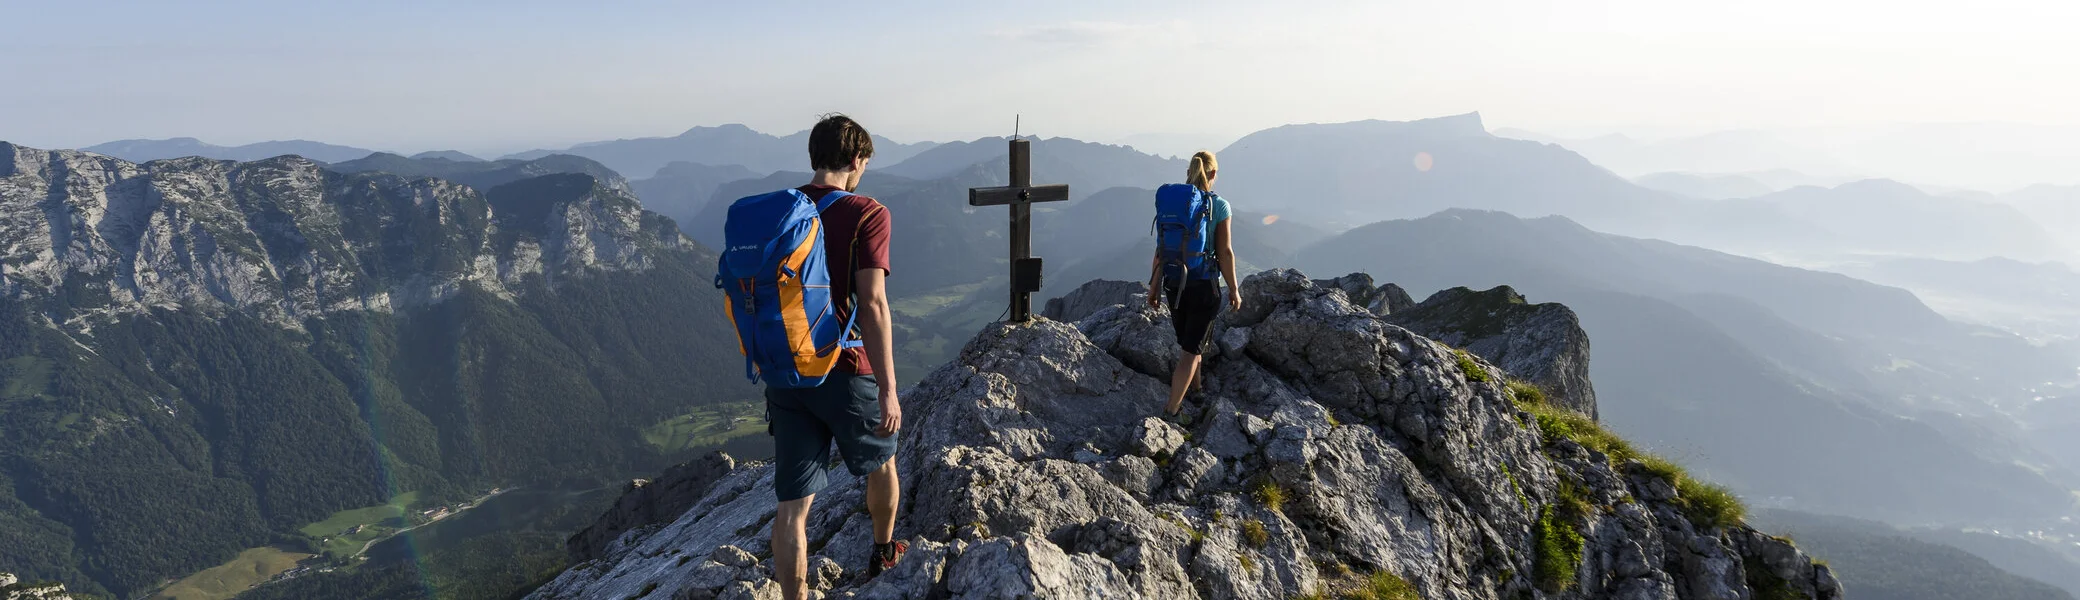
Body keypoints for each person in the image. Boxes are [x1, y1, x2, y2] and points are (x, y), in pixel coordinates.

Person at [764, 114, 905, 599]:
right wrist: (888, 388)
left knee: (792, 507)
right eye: (864, 160)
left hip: (786, 372)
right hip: (844, 370)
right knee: (882, 464)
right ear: (855, 159)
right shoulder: (868, 213)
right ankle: (884, 552)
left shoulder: (783, 210)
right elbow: (872, 303)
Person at [1147, 151, 1241, 423]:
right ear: (1212, 174)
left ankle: (1196, 390)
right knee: (1190, 351)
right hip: (1202, 284)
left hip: (1174, 283)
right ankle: (1172, 411)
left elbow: (1160, 250)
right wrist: (1234, 288)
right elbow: (1225, 251)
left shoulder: (1174, 206)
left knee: (1190, 343)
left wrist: (1153, 288)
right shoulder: (1219, 206)